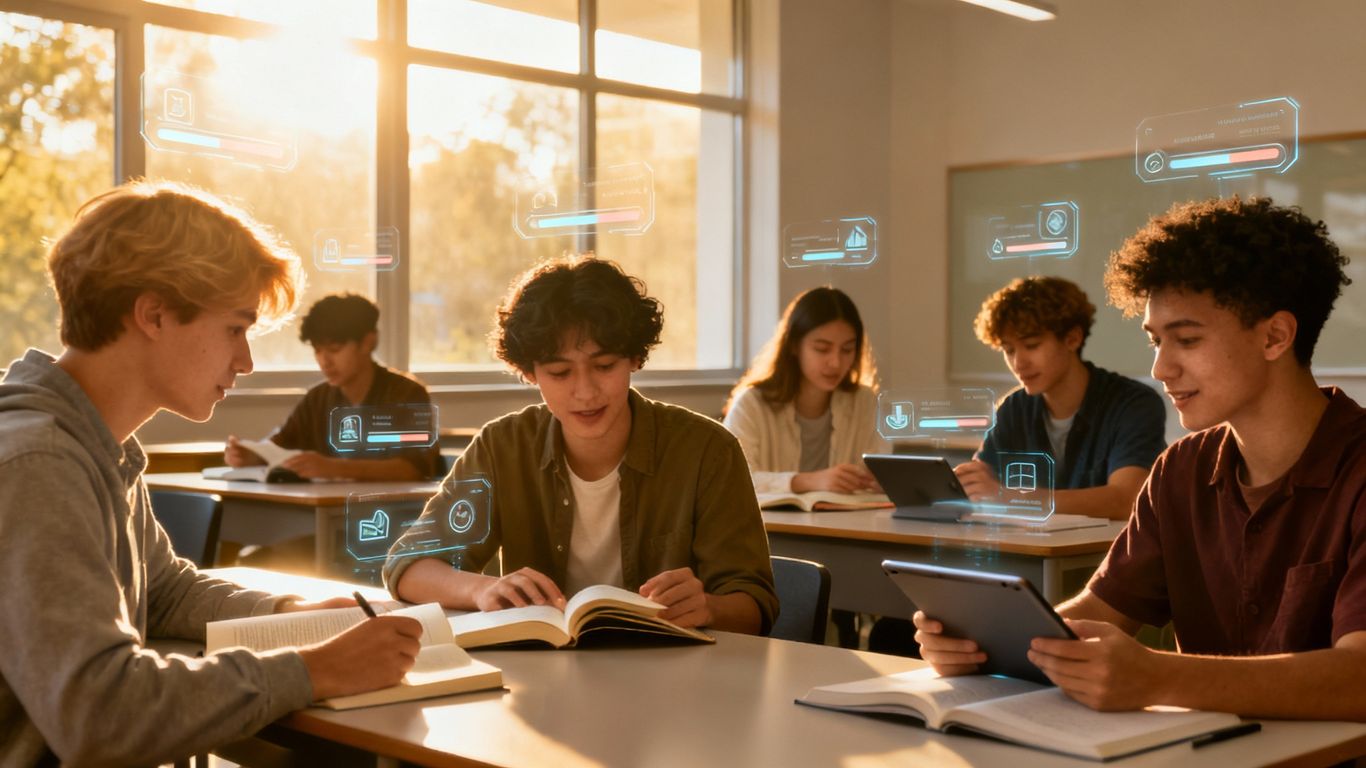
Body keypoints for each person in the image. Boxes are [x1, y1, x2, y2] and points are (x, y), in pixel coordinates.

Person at [0, 180, 423, 765]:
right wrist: (313, 669)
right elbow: (99, 713)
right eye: (235, 328)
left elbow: (167, 592)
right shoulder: (40, 462)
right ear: (153, 314)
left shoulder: (96, 449)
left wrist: (287, 616)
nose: (246, 361)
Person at [915, 196, 1366, 719]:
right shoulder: (1181, 470)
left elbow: (1358, 679)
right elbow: (1097, 611)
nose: (1160, 368)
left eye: (1187, 340)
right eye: (1155, 340)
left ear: (1275, 336)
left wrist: (1158, 675)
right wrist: (989, 644)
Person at [384, 257, 777, 634]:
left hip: (676, 677)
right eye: (559, 372)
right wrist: (481, 588)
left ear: (635, 358)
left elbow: (755, 606)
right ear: (529, 373)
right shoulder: (503, 446)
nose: (585, 392)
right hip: (542, 678)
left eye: (605, 366)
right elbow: (407, 566)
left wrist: (708, 606)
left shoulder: (708, 450)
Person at [954, 276, 1167, 520]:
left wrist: (1011, 498)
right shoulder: (1014, 408)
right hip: (1035, 553)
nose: (1018, 363)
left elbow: (1126, 499)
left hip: (1104, 555)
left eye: (1032, 345)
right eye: (1009, 350)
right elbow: (981, 484)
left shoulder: (1134, 404)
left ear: (1072, 339)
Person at [224, 293, 440, 481]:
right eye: (317, 350)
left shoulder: (407, 394)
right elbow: (279, 445)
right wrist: (252, 455)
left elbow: (414, 469)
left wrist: (334, 467)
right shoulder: (318, 398)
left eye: (334, 349)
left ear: (368, 343)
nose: (324, 361)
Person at [723, 286, 888, 495]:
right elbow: (730, 479)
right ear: (793, 345)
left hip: (845, 525)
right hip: (771, 526)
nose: (836, 362)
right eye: (822, 349)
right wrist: (805, 481)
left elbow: (877, 475)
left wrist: (881, 483)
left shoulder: (864, 402)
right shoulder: (751, 404)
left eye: (847, 349)